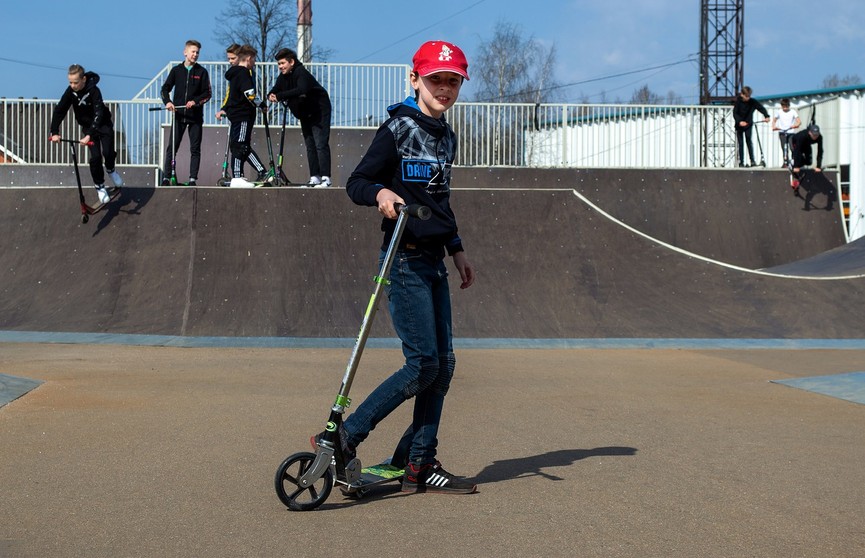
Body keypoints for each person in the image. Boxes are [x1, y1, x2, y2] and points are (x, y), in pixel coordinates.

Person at [328, 40, 477, 495]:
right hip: (404, 258)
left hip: (434, 262)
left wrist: (457, 248)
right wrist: (381, 194)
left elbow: (440, 200)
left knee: (443, 366)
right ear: (415, 79)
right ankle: (344, 438)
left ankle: (418, 462)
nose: (445, 89)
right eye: (437, 80)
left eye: (453, 81)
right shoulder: (397, 128)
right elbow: (357, 181)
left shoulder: (446, 135)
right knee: (422, 365)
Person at [49, 64, 123, 203]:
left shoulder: (94, 90)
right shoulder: (70, 92)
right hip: (88, 128)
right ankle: (100, 186)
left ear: (83, 79)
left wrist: (89, 134)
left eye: (75, 82)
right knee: (95, 157)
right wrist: (54, 131)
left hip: (103, 124)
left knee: (107, 153)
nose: (72, 85)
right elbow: (60, 110)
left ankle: (111, 170)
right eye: (70, 82)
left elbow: (98, 113)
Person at [267, 48, 333, 187]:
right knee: (310, 145)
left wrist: (280, 96)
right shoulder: (283, 77)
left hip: (319, 110)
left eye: (283, 63)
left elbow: (301, 89)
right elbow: (276, 89)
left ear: (291, 62)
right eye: (279, 64)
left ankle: (326, 178)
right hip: (304, 112)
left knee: (320, 144)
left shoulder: (300, 72)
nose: (280, 67)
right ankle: (314, 176)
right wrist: (271, 95)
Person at [160, 40, 212, 186]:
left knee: (195, 149)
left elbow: (207, 94)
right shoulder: (176, 71)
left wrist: (195, 102)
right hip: (179, 116)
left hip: (195, 118)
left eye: (197, 52)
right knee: (172, 147)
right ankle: (166, 177)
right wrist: (168, 102)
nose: (195, 54)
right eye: (193, 51)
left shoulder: (202, 72)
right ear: (185, 52)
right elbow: (164, 89)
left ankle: (192, 179)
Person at [223, 45, 270, 187]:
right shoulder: (243, 73)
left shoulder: (234, 74)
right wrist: (261, 104)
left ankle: (254, 173)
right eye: (254, 60)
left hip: (235, 114)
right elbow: (249, 94)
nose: (254, 63)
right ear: (249, 58)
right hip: (243, 114)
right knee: (240, 145)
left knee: (240, 145)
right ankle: (241, 175)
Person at [733, 86, 770, 167]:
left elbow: (761, 108)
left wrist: (766, 116)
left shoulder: (752, 102)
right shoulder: (738, 102)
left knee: (749, 140)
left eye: (749, 96)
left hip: (748, 124)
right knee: (741, 143)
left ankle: (752, 160)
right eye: (746, 96)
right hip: (739, 125)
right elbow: (735, 113)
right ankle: (741, 162)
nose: (748, 98)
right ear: (742, 94)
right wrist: (739, 121)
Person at [771, 98, 801, 167]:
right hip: (782, 132)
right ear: (781, 106)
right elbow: (774, 120)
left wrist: (796, 125)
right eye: (783, 106)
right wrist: (774, 126)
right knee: (784, 148)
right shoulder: (779, 112)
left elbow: (799, 121)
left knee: (792, 147)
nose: (785, 108)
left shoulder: (793, 112)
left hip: (790, 132)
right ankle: (785, 162)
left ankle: (794, 161)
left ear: (789, 105)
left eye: (786, 106)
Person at [215, 43, 241, 122]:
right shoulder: (232, 74)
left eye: (233, 58)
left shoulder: (247, 72)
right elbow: (229, 93)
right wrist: (224, 108)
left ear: (240, 57)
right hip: (233, 112)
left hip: (242, 112)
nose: (230, 61)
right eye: (229, 59)